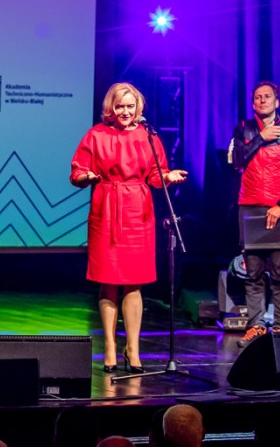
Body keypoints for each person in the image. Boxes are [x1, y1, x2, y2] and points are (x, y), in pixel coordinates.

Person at [70, 82, 187, 372]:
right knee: (108, 280)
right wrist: (86, 177)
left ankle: (132, 348)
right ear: (111, 107)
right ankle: (110, 346)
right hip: (106, 209)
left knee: (134, 282)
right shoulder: (96, 134)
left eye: (130, 106)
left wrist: (168, 176)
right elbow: (77, 171)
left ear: (138, 108)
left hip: (138, 211)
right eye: (120, 106)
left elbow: (155, 175)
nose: (125, 111)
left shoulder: (148, 135)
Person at [229, 81, 280, 347]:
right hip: (249, 207)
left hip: (279, 210)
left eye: (267, 96)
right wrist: (261, 138)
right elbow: (236, 160)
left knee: (279, 274)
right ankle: (255, 326)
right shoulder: (243, 129)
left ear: (277, 102)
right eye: (257, 97)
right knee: (252, 273)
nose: (262, 100)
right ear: (253, 102)